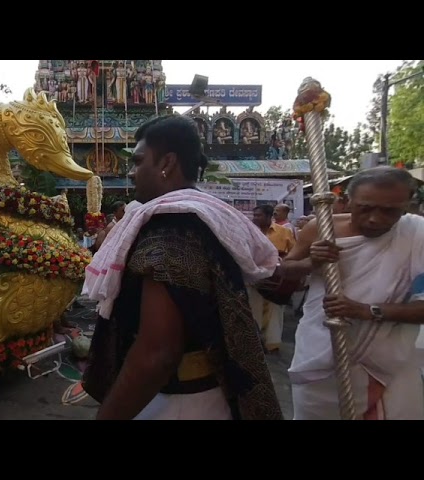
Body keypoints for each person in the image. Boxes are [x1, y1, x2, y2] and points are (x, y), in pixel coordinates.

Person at [81, 114, 283, 420]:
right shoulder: (211, 217)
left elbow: (157, 353)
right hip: (205, 393)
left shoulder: (171, 228)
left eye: (138, 162)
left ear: (167, 163)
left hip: (179, 403)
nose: (132, 173)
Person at [281, 166, 424, 420]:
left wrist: (366, 311)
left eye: (389, 211)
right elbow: (285, 270)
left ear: (407, 206)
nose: (375, 219)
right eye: (365, 208)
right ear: (348, 201)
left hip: (386, 361)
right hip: (321, 352)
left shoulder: (416, 235)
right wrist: (311, 263)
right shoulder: (321, 228)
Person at [247, 204, 296, 354]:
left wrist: (283, 265)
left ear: (269, 217)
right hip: (254, 278)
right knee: (253, 310)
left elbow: (294, 252)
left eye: (259, 215)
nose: (255, 218)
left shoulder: (284, 232)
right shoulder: (248, 231)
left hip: (276, 280)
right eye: (254, 215)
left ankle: (272, 344)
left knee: (275, 312)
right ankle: (255, 343)